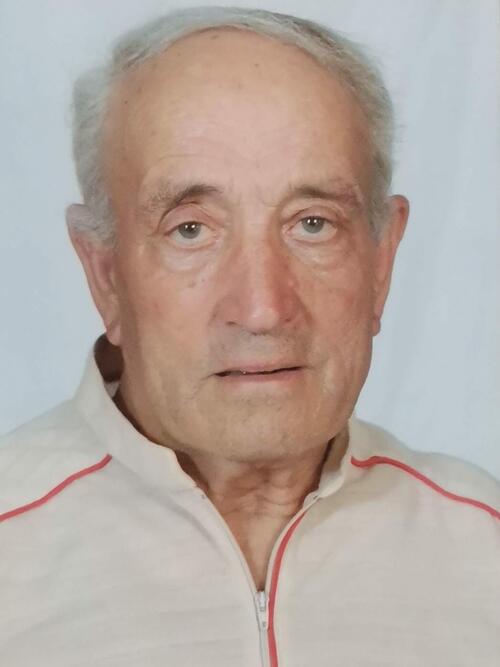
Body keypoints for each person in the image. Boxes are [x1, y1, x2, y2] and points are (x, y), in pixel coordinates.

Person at [1, 6, 498, 666]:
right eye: (190, 230)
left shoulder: (484, 546)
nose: (263, 309)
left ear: (381, 261)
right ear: (106, 274)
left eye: (313, 223)